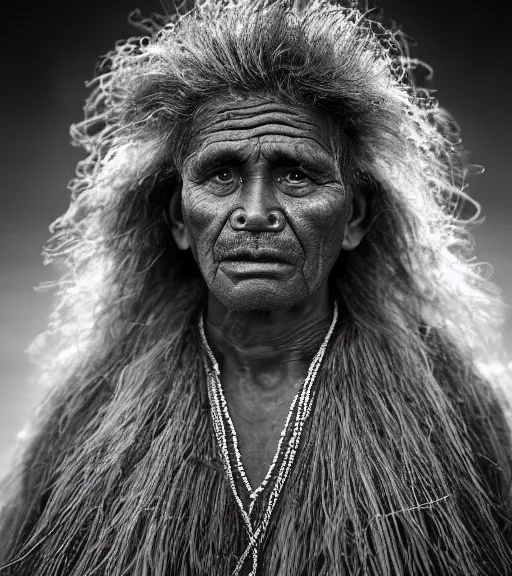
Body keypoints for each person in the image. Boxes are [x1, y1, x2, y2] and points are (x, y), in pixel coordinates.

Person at [1, 0, 511, 574]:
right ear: (177, 218)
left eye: (296, 173)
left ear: (355, 216)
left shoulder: (450, 411)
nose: (256, 212)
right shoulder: (90, 415)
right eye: (222, 174)